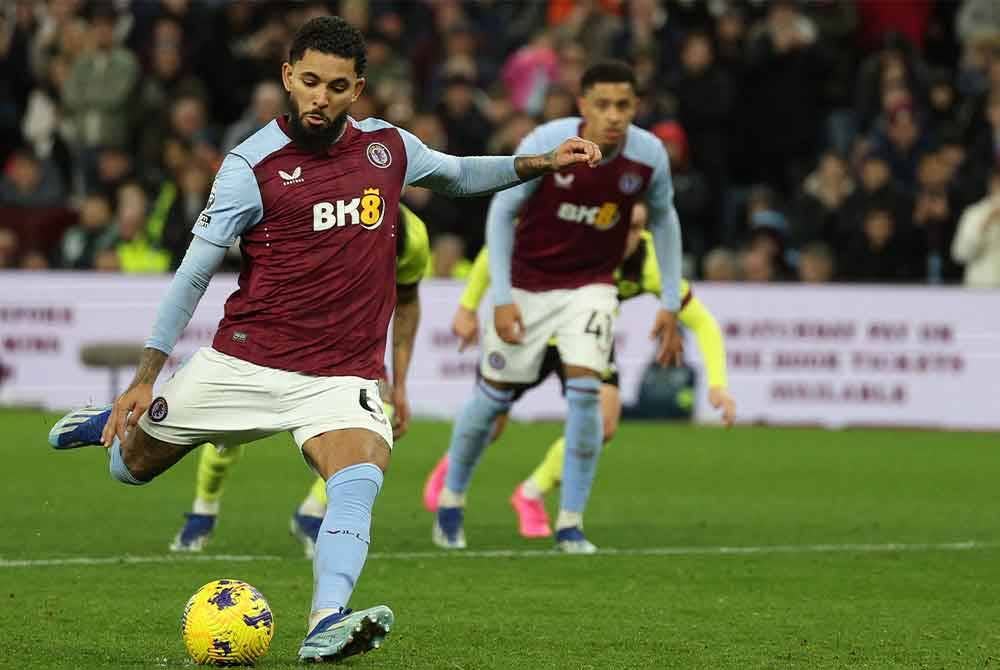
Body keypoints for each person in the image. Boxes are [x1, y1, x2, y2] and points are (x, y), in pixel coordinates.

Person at [46, 16, 601, 664]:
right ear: (288, 76)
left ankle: (325, 621)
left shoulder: (388, 148)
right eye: (309, 81)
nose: (320, 97)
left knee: (361, 473)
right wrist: (145, 377)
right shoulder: (250, 165)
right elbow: (194, 274)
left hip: (340, 376)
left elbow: (458, 174)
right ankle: (105, 425)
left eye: (337, 87)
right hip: (245, 361)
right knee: (132, 466)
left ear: (357, 89)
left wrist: (543, 162)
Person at [433, 60, 685, 555]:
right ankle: (451, 498)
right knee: (491, 401)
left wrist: (671, 300)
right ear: (583, 104)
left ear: (636, 106)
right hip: (527, 285)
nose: (614, 115)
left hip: (591, 287)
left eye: (624, 105)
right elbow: (502, 213)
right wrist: (500, 298)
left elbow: (665, 220)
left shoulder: (648, 155)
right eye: (603, 104)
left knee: (588, 395)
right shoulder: (548, 142)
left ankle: (570, 523)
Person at [423, 202, 736, 538]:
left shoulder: (649, 263)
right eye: (624, 225)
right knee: (492, 421)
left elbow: (704, 322)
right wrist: (467, 307)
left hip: (585, 333)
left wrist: (718, 385)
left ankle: (531, 493)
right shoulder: (569, 230)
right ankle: (453, 469)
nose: (629, 236)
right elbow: (497, 248)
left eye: (637, 228)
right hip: (530, 325)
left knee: (603, 423)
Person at [170, 204, 430, 556]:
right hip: (278, 336)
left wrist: (400, 385)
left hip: (347, 351)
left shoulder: (410, 237)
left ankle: (313, 513)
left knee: (380, 413)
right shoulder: (315, 209)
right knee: (226, 430)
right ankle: (204, 509)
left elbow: (408, 302)